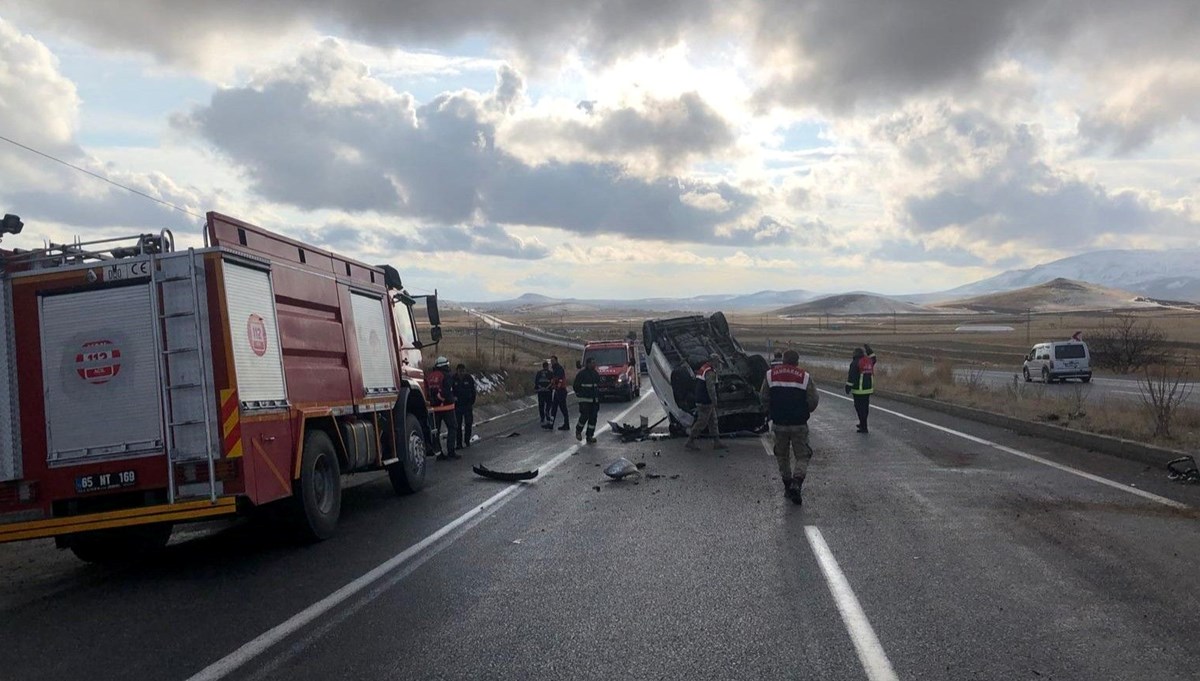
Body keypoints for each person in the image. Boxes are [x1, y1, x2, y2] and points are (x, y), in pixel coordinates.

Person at [761, 349, 819, 504]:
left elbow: (763, 397)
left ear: (783, 361)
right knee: (802, 455)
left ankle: (787, 486)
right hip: (799, 424)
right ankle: (797, 483)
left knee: (782, 455)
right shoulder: (805, 376)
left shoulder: (770, 375)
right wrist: (805, 411)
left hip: (779, 423)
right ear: (797, 361)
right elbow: (813, 400)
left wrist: (769, 412)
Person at [685, 352, 726, 450]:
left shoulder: (704, 368)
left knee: (713, 421)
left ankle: (717, 442)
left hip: (703, 399)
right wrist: (715, 401)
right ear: (714, 362)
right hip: (705, 401)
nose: (719, 364)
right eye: (717, 362)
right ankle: (690, 441)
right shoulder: (710, 372)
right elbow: (711, 388)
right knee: (702, 422)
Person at [426, 356, 458, 459]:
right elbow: (447, 390)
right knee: (452, 428)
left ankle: (439, 454)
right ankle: (451, 451)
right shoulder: (447, 375)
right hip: (447, 407)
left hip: (434, 409)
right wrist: (443, 399)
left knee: (436, 432)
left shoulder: (430, 376)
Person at [845, 343, 877, 433]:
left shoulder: (855, 363)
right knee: (865, 407)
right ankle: (863, 423)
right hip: (868, 389)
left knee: (859, 408)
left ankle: (863, 426)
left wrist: (848, 387)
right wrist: (868, 349)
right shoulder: (869, 361)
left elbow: (851, 377)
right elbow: (874, 357)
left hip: (858, 390)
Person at [573, 357, 602, 444]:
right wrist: (579, 395)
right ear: (588, 364)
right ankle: (578, 430)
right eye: (592, 363)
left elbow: (598, 386)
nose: (594, 364)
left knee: (593, 419)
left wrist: (598, 398)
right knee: (584, 416)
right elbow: (576, 386)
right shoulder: (582, 374)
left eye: (594, 363)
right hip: (585, 400)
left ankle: (589, 436)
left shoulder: (595, 374)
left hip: (594, 401)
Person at [452, 363, 477, 449]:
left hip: (467, 405)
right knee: (457, 425)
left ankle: (467, 441)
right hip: (457, 406)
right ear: (457, 371)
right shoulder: (453, 379)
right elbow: (450, 390)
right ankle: (458, 444)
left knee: (468, 423)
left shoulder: (469, 378)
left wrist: (471, 401)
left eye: (463, 371)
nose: (461, 373)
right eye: (460, 371)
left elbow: (473, 391)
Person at [544, 354, 570, 431]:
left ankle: (566, 424)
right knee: (554, 408)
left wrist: (555, 386)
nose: (552, 362)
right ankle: (551, 424)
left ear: (556, 361)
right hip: (557, 391)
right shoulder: (555, 369)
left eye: (553, 361)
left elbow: (559, 379)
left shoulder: (559, 369)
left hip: (561, 391)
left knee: (563, 408)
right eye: (551, 361)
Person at [534, 361, 553, 426]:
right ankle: (547, 412)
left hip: (541, 391)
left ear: (543, 366)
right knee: (549, 403)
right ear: (547, 366)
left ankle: (542, 417)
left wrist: (540, 388)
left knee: (541, 405)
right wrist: (547, 387)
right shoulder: (550, 373)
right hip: (548, 391)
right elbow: (552, 382)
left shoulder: (539, 373)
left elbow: (536, 382)